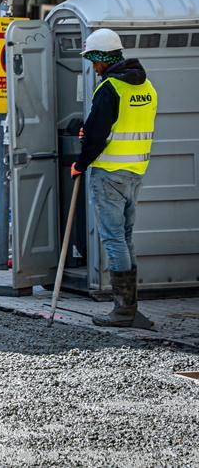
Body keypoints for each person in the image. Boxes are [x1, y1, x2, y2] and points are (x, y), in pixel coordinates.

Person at [73, 28, 157, 328]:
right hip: (135, 172)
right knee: (126, 238)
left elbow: (96, 136)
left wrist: (80, 164)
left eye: (94, 61)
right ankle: (131, 309)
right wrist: (93, 130)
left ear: (102, 58)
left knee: (113, 239)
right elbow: (121, 126)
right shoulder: (145, 86)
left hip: (109, 173)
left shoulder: (110, 88)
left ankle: (122, 311)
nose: (93, 68)